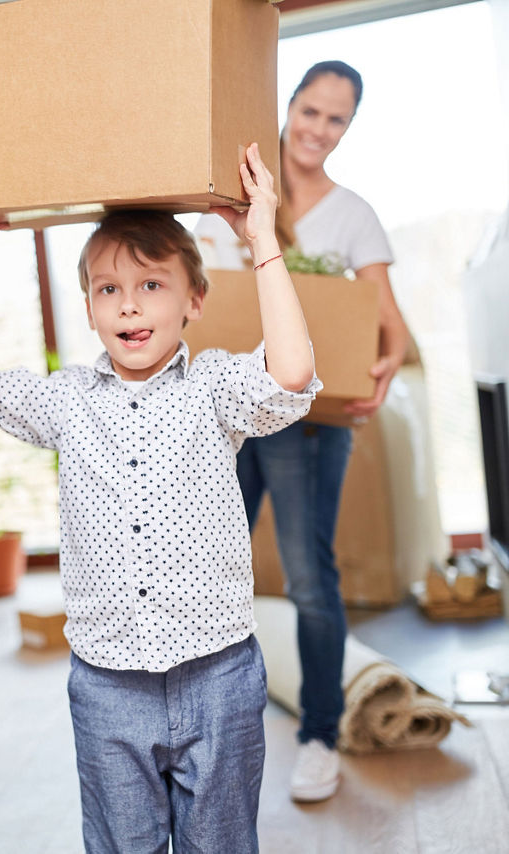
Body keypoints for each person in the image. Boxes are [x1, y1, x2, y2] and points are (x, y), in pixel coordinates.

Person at [0, 145, 319, 853]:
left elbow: (290, 376)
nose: (129, 302)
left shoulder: (214, 390)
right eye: (107, 289)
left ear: (194, 300)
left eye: (151, 284)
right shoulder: (66, 400)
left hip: (219, 673)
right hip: (107, 685)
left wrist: (261, 239)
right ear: (89, 308)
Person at [194, 60, 409, 803]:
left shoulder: (353, 215)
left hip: (310, 424)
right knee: (213, 572)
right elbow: (198, 301)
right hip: (227, 414)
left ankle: (320, 732)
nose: (318, 129)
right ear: (287, 107)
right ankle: (207, 731)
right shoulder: (230, 197)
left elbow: (390, 329)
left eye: (336, 119)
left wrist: (378, 369)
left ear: (348, 128)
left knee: (309, 579)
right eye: (310, 111)